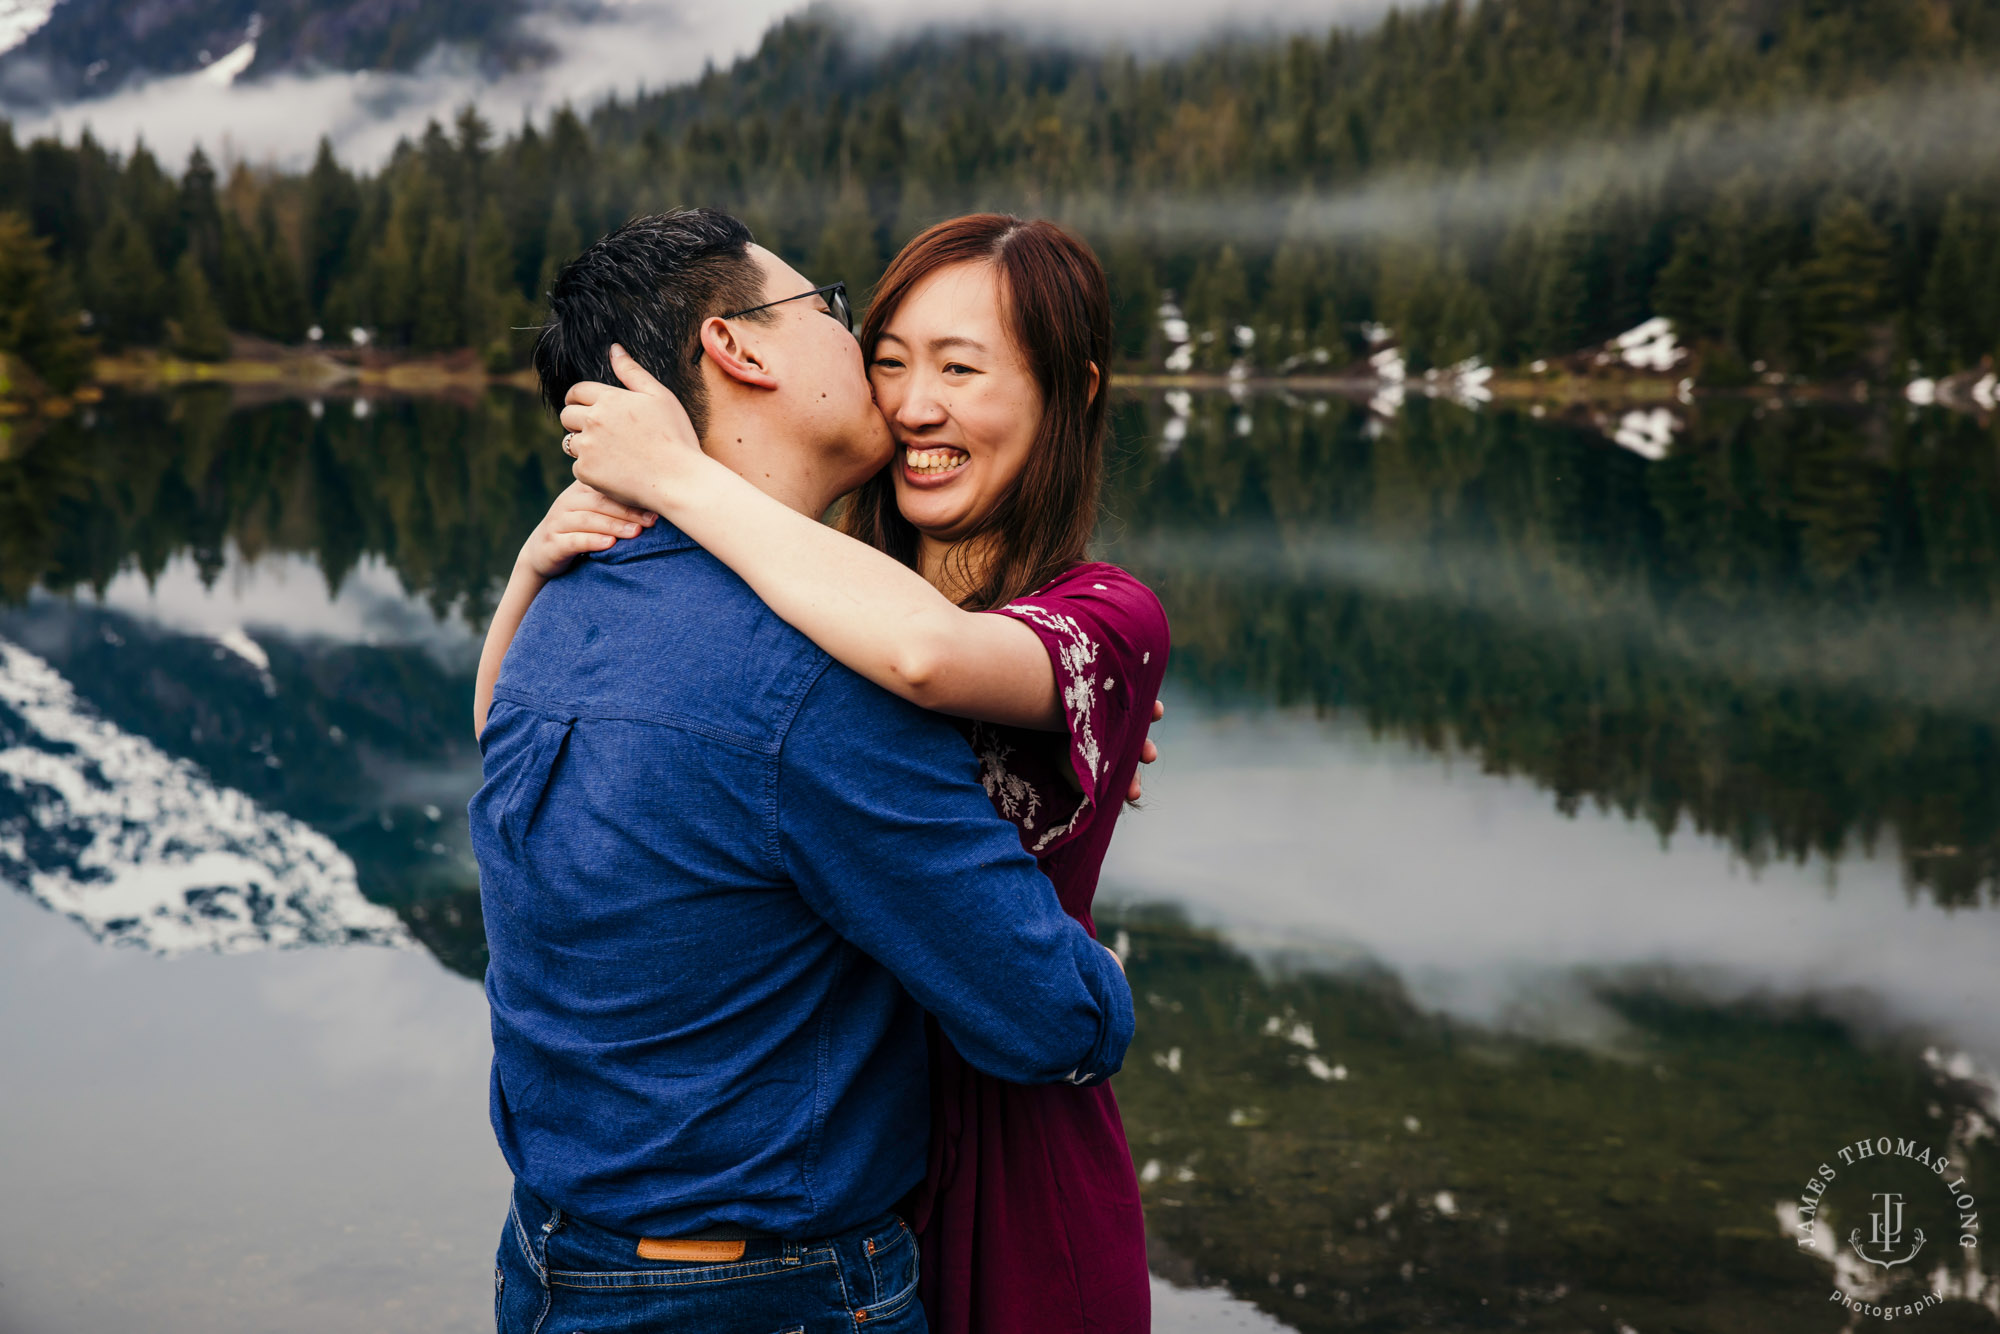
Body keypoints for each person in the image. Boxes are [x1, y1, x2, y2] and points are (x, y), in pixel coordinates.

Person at [467, 208, 1136, 1334]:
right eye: (831, 309)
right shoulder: (820, 683)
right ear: (740, 347)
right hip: (756, 1293)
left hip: (548, 1260)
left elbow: (496, 751)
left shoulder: (562, 605)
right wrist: (1098, 982)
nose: (865, 350)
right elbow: (1050, 1022)